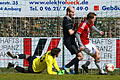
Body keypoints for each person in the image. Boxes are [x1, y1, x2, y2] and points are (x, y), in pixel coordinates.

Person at [62, 6, 83, 74]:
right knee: (80, 56)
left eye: (74, 12)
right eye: (72, 12)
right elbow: (70, 32)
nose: (74, 13)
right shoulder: (66, 20)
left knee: (78, 55)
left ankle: (76, 71)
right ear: (68, 12)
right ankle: (67, 67)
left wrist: (75, 27)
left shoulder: (69, 19)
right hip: (69, 42)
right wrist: (77, 28)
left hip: (72, 41)